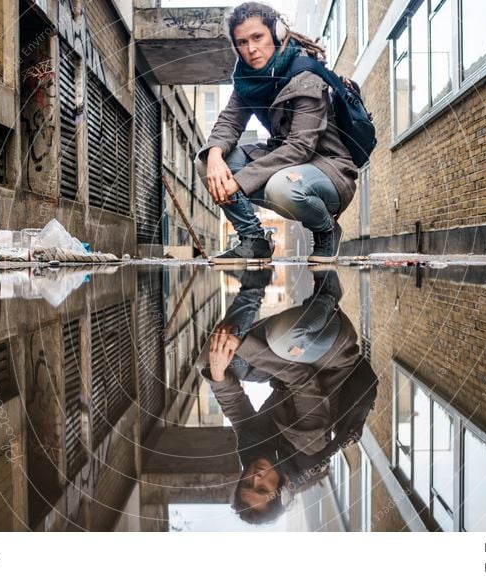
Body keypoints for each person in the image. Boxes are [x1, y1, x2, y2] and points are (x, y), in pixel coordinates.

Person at [199, 267, 378, 524]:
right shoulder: (306, 449)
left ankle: (254, 282)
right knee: (284, 338)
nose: (256, 477)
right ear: (281, 489)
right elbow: (302, 380)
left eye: (247, 483)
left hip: (298, 362)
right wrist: (245, 348)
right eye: (262, 489)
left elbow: (234, 405)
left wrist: (217, 372)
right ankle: (328, 293)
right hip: (332, 355)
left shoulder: (251, 447)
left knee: (210, 362)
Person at [194, 2, 359, 264]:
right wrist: (214, 155)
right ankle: (253, 241)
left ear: (276, 33)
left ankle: (326, 228)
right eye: (243, 42)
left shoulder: (304, 74)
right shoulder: (248, 80)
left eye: (257, 37)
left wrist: (240, 180)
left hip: (329, 169)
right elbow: (229, 122)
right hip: (284, 163)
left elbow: (300, 147)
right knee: (207, 161)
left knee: (281, 187)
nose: (251, 49)